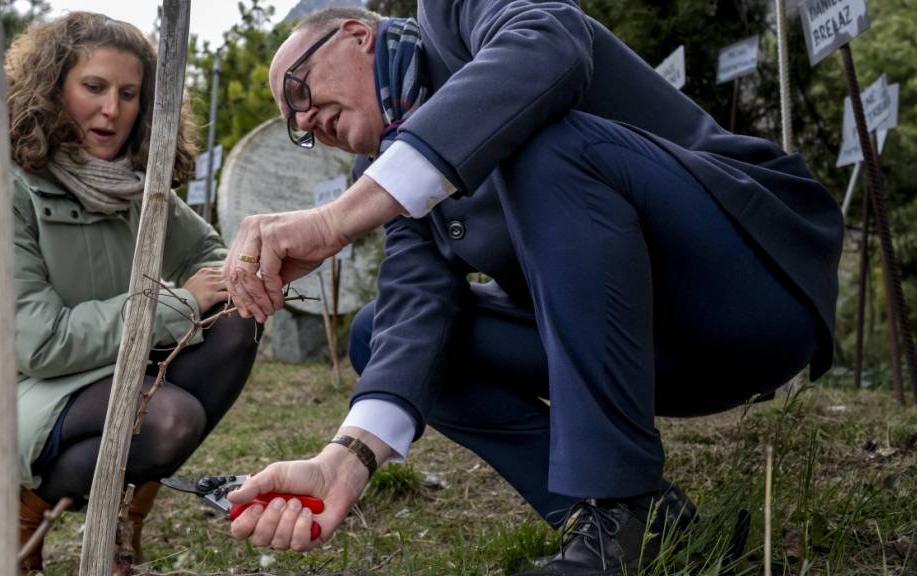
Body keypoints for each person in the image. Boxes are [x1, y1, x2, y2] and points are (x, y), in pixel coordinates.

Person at [221, 4, 843, 574]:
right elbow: (417, 310)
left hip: (754, 287)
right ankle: (639, 528)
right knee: (376, 332)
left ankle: (618, 503)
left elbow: (552, 44)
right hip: (654, 355)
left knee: (543, 141)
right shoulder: (384, 174)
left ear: (357, 34)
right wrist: (345, 460)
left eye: (299, 90)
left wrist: (334, 221)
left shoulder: (456, 15)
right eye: (294, 124)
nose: (305, 121)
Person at [0, 12, 259, 572]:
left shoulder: (134, 183)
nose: (112, 110)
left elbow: (207, 255)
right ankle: (20, 517)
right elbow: (39, 343)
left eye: (129, 94)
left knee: (236, 318)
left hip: (96, 374)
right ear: (52, 89)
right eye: (94, 87)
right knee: (166, 419)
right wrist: (180, 302)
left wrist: (239, 276)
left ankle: (122, 520)